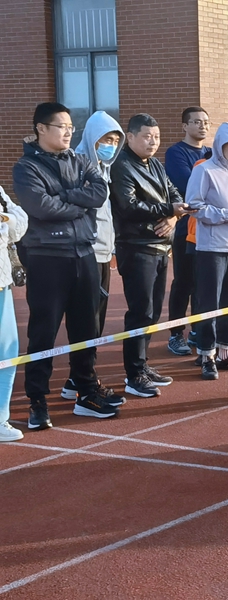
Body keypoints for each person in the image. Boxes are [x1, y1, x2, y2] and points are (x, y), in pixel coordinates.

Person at [12, 102, 123, 428]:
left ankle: (86, 391)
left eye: (71, 127)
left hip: (83, 255)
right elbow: (41, 207)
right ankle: (37, 400)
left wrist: (65, 197)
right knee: (43, 331)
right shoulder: (26, 167)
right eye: (61, 126)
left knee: (86, 328)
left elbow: (99, 192)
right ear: (41, 129)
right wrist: (78, 202)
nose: (68, 132)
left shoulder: (81, 160)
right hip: (47, 258)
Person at [110, 113, 193, 398]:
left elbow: (175, 194)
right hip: (136, 247)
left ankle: (143, 365)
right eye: (146, 136)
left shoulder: (156, 164)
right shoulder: (121, 165)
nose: (152, 142)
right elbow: (128, 206)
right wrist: (168, 210)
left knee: (154, 311)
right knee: (140, 312)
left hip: (160, 247)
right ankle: (133, 374)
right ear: (130, 137)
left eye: (156, 137)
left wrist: (173, 217)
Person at [62, 110, 125, 402]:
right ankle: (81, 380)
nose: (110, 145)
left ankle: (77, 377)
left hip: (102, 255)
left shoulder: (104, 169)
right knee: (85, 321)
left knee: (95, 322)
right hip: (85, 253)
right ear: (91, 138)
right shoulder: (79, 165)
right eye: (105, 140)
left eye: (114, 140)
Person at [185, 122, 228, 380]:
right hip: (211, 246)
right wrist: (226, 215)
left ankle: (225, 351)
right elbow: (193, 206)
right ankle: (206, 355)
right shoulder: (204, 170)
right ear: (220, 145)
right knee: (209, 302)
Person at [164, 107, 212, 356]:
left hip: (209, 228)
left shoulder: (212, 152)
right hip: (185, 227)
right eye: (196, 122)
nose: (203, 126)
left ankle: (197, 330)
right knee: (183, 281)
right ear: (184, 126)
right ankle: (175, 334)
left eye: (206, 122)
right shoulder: (176, 153)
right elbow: (188, 185)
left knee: (204, 283)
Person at [0, 186, 29, 442]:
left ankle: (0, 418)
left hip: (2, 284)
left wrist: (4, 218)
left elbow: (20, 225)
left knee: (7, 353)